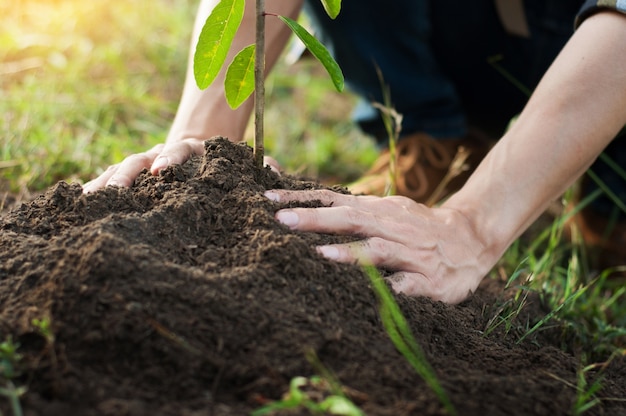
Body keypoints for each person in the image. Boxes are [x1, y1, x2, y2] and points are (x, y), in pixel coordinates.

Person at [82, 0, 626, 304]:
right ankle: (436, 139)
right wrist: (204, 143)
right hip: (469, 26)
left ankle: (593, 201)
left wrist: (473, 225)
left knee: (612, 231)